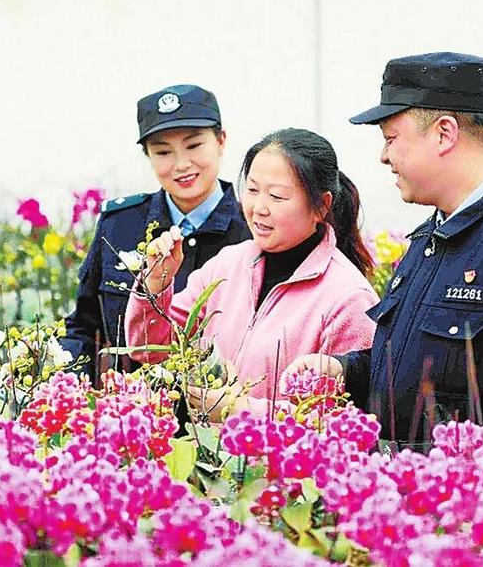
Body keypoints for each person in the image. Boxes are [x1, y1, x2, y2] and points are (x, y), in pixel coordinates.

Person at [282, 52, 483, 448]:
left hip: (475, 489)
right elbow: (414, 370)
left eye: (390, 139)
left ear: (444, 134)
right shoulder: (433, 238)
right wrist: (345, 371)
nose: (384, 156)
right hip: (403, 484)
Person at [125, 128, 378, 418]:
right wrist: (155, 284)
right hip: (208, 446)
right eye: (252, 190)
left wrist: (240, 411)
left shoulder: (349, 297)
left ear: (321, 206)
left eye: (277, 196)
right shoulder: (228, 264)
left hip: (276, 451)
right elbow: (150, 350)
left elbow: (340, 423)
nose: (258, 208)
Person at [61, 84, 251, 381]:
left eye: (194, 146)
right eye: (163, 152)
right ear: (147, 155)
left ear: (221, 141)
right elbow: (84, 326)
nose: (181, 164)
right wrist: (71, 386)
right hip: (132, 402)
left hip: (225, 403)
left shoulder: (253, 228)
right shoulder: (119, 225)